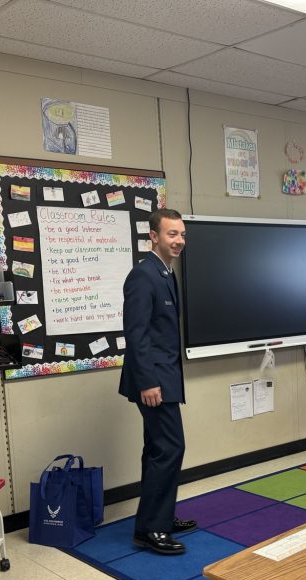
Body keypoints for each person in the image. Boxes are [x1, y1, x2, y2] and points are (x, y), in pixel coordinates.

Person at [119, 208, 196, 555]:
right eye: (171, 234)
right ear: (153, 235)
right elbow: (135, 336)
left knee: (157, 449)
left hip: (165, 375)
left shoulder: (166, 273)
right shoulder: (143, 276)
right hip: (153, 381)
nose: (178, 241)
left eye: (181, 234)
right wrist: (148, 382)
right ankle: (151, 529)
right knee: (170, 448)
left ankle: (159, 519)